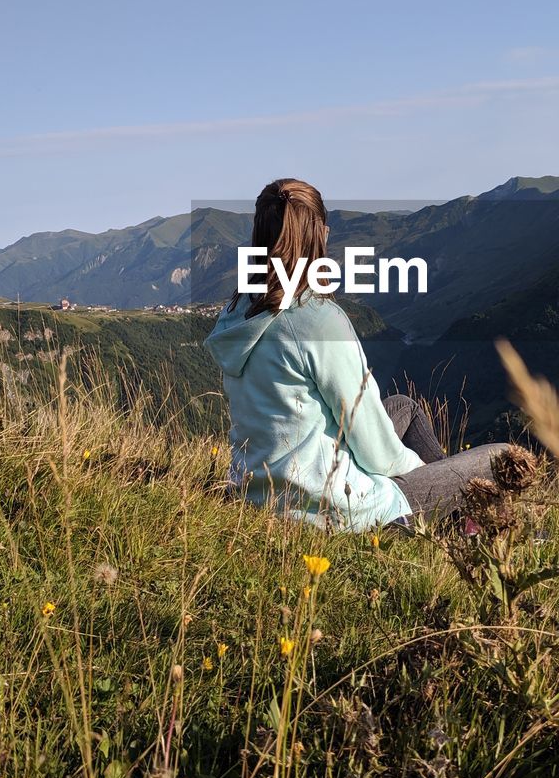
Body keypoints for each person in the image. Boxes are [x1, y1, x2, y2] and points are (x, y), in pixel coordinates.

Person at [203, 178, 510, 530]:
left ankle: (458, 518)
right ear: (320, 235)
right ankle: (462, 521)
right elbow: (374, 447)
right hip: (334, 506)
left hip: (258, 494)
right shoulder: (317, 321)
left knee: (404, 408)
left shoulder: (238, 311)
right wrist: (432, 477)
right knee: (500, 457)